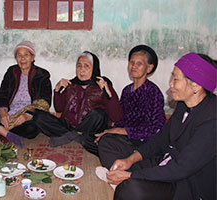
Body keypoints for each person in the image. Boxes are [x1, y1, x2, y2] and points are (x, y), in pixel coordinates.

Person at [106, 53, 216, 200]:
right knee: (121, 164)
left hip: (188, 183)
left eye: (175, 79)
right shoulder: (184, 105)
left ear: (195, 85)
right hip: (166, 162)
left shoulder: (211, 121)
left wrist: (130, 176)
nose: (170, 84)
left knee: (130, 189)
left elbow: (181, 168)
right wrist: (130, 160)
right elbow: (160, 139)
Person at [89, 45, 166, 168]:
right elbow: (121, 119)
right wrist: (109, 131)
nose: (133, 66)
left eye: (139, 63)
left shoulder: (153, 92)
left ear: (149, 68)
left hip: (144, 143)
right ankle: (123, 166)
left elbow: (154, 130)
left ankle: (124, 171)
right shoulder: (127, 91)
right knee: (96, 138)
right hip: (127, 139)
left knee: (106, 142)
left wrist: (117, 131)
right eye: (131, 62)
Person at [33, 51, 123, 147]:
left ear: (94, 68)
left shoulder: (102, 85)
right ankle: (76, 136)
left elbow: (116, 117)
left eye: (86, 66)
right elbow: (59, 109)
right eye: (79, 65)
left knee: (98, 114)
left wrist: (109, 94)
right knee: (38, 116)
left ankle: (72, 135)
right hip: (68, 126)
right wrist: (57, 90)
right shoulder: (71, 84)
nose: (82, 69)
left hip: (89, 128)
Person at [0, 41, 52, 148]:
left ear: (32, 57)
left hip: (26, 116)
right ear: (16, 58)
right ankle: (9, 134)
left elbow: (45, 100)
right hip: (9, 114)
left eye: (26, 55)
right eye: (19, 55)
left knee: (32, 128)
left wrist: (27, 115)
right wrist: (3, 112)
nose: (22, 59)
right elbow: (2, 93)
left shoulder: (42, 75)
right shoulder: (11, 71)